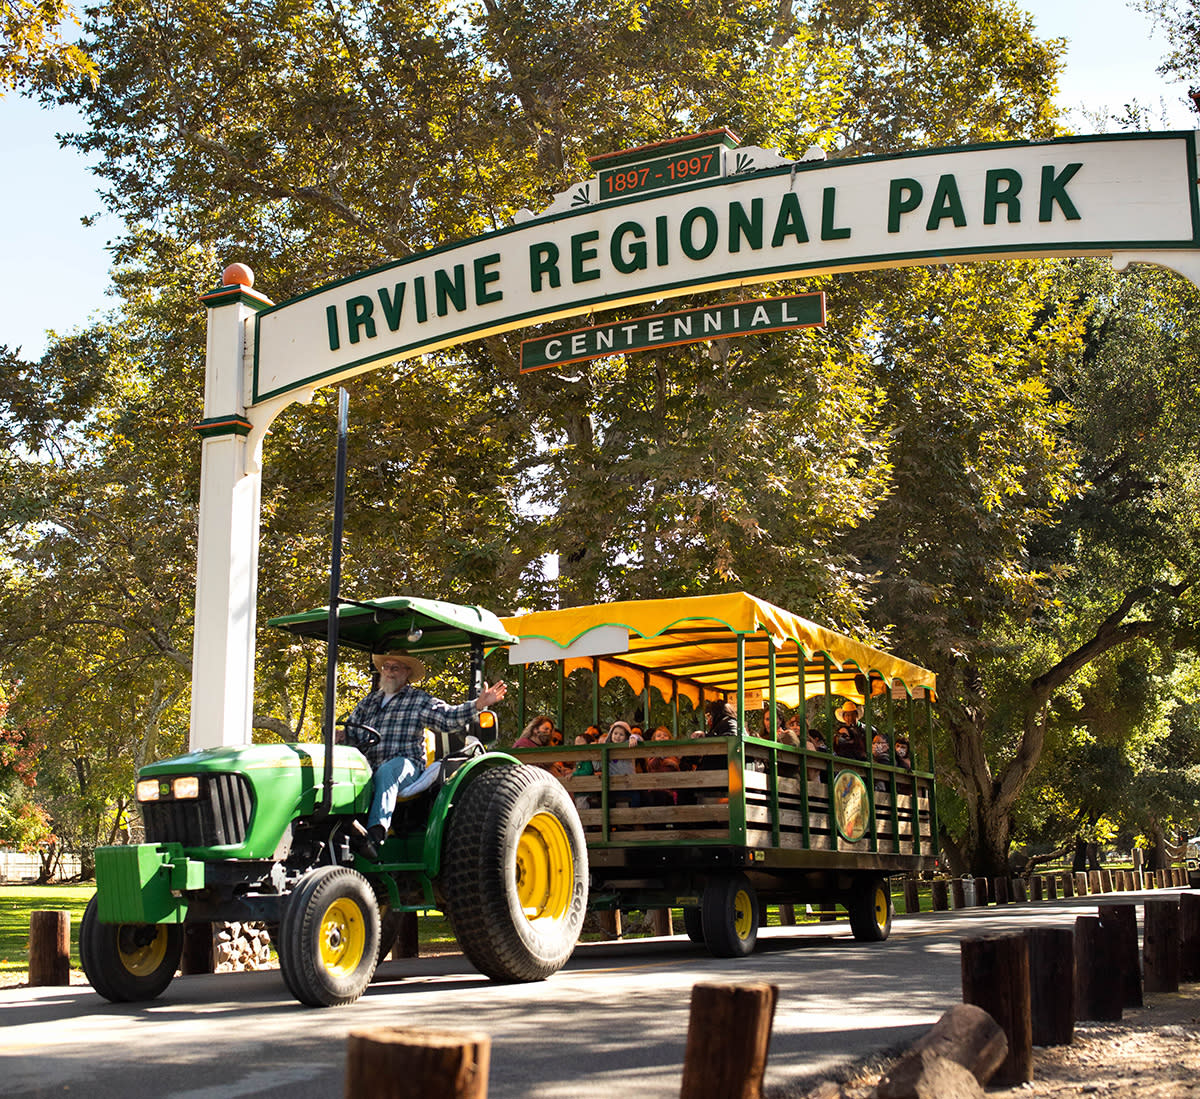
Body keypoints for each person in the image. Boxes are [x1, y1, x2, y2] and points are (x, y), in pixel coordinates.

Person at [350, 650, 506, 855]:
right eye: (385, 667)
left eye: (395, 668)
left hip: (405, 764)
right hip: (368, 765)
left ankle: (376, 835)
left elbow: (447, 718)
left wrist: (478, 704)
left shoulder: (418, 700)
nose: (388, 672)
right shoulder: (368, 702)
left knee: (387, 771)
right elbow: (352, 728)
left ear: (407, 673)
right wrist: (341, 734)